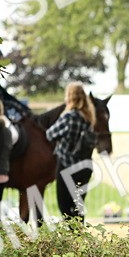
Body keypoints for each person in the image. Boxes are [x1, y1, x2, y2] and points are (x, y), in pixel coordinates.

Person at [44, 82, 96, 222]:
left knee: (65, 206)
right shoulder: (89, 118)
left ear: (69, 97)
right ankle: (79, 236)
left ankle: (71, 239)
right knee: (78, 206)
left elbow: (50, 134)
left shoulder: (69, 117)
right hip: (84, 168)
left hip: (67, 166)